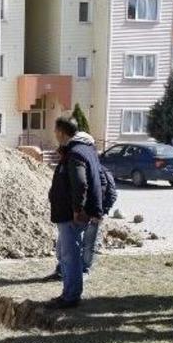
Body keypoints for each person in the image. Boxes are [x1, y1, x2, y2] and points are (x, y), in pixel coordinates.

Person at [46, 116, 102, 310]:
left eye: (56, 130)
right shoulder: (84, 150)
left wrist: (77, 209)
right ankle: (67, 293)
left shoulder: (76, 153)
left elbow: (80, 183)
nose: (54, 134)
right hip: (69, 214)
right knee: (66, 254)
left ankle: (71, 297)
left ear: (61, 132)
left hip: (71, 215)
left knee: (70, 256)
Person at [45, 142, 118, 281]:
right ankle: (62, 270)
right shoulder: (69, 168)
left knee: (88, 244)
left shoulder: (99, 172)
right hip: (74, 215)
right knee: (66, 245)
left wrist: (100, 212)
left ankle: (84, 270)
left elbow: (110, 194)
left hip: (91, 214)